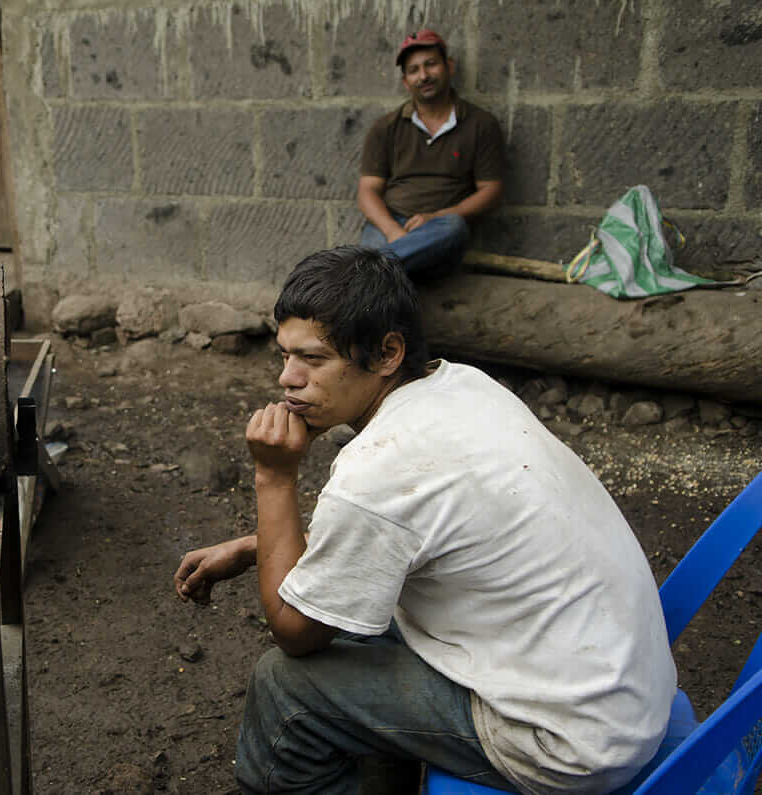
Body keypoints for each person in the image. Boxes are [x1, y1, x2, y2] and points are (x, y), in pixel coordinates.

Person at [173, 246, 676, 794]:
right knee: (367, 615)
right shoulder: (459, 385)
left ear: (388, 353)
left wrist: (274, 478)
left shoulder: (380, 467)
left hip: (564, 741)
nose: (287, 380)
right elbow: (395, 537)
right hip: (620, 688)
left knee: (284, 688)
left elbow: (296, 633)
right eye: (285, 356)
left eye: (313, 360)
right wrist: (255, 546)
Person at [357, 30, 505, 274]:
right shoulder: (385, 127)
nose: (423, 76)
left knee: (453, 227)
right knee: (383, 277)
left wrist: (437, 215)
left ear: (449, 66)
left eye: (431, 65)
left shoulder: (481, 124)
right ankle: (381, 271)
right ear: (405, 81)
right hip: (388, 224)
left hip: (440, 229)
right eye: (414, 70)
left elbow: (491, 191)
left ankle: (366, 272)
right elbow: (367, 191)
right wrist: (393, 231)